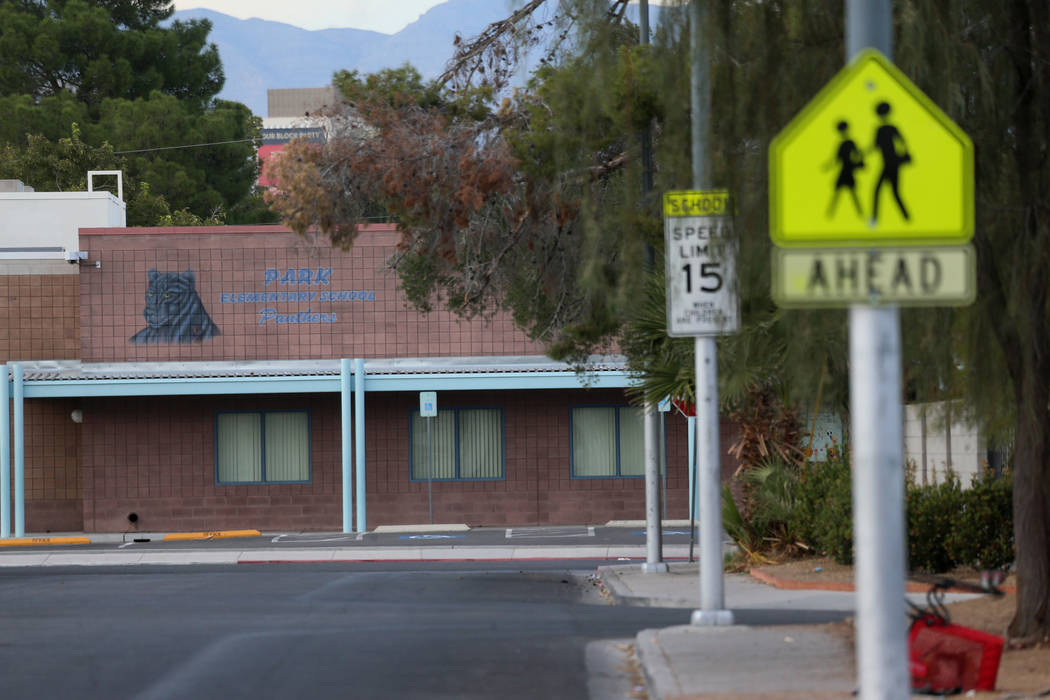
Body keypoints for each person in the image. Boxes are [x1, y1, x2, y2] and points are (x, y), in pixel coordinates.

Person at [870, 100, 911, 223]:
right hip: (888, 164)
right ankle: (904, 216)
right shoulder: (883, 129)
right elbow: (875, 146)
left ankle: (904, 217)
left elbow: (902, 142)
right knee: (888, 192)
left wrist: (904, 154)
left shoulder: (887, 129)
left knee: (887, 192)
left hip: (891, 164)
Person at [825, 119, 865, 218]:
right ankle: (831, 213)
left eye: (842, 130)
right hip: (844, 170)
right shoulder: (841, 143)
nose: (841, 132)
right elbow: (837, 159)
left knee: (848, 192)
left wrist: (860, 163)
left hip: (847, 170)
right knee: (844, 191)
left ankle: (859, 213)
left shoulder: (850, 142)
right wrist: (828, 166)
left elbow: (857, 153)